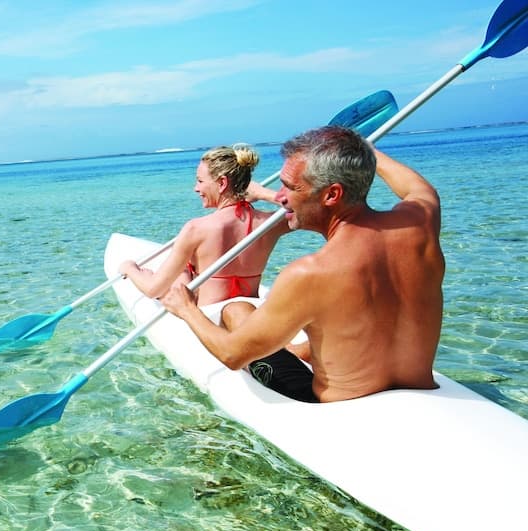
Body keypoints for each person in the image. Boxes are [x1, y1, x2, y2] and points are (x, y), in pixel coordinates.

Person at [161, 125, 443, 403]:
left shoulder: (310, 273)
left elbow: (232, 355)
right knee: (248, 310)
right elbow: (417, 188)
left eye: (290, 186)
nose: (279, 196)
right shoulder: (420, 224)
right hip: (420, 390)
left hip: (338, 407)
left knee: (235, 311)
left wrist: (186, 309)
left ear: (331, 195)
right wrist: (363, 150)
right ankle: (299, 350)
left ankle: (293, 350)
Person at [118, 144, 291, 306]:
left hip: (207, 318)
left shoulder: (196, 229)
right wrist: (263, 193)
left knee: (180, 273)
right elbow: (304, 210)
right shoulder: (270, 223)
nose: (196, 188)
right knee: (184, 272)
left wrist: (130, 268)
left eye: (200, 181)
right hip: (252, 311)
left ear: (222, 183)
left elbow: (153, 289)